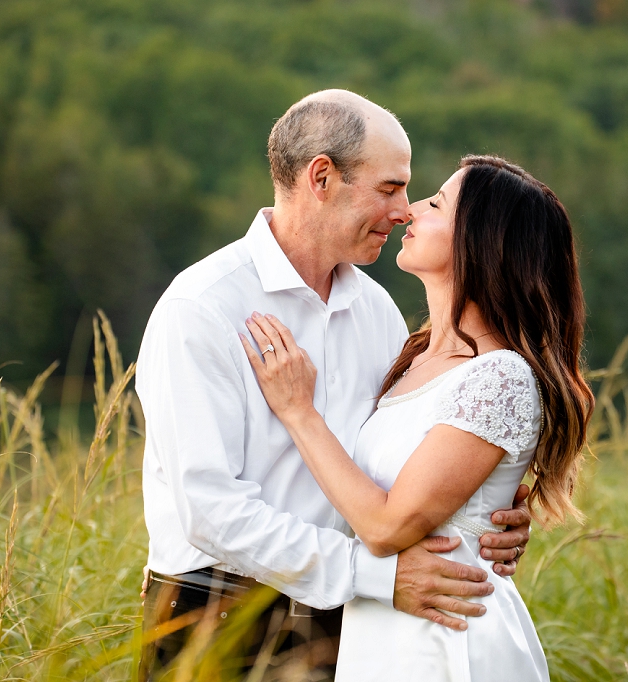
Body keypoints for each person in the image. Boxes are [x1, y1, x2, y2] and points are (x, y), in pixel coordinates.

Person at [136, 91, 533, 680]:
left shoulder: (379, 314)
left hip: (356, 624)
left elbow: (400, 459)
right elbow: (210, 512)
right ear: (322, 176)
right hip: (216, 617)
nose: (403, 211)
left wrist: (484, 509)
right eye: (389, 188)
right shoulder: (204, 307)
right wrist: (376, 576)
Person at [240, 154, 595, 681]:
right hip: (383, 622)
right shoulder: (415, 353)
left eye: (435, 203)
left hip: (446, 632)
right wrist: (489, 508)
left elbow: (387, 527)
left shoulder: (499, 377)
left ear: (481, 241)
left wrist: (298, 411)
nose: (409, 212)